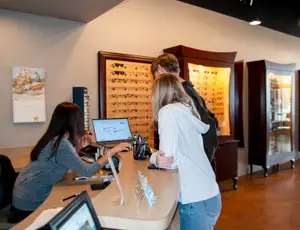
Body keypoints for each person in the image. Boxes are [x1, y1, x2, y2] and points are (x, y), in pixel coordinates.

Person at [9, 102, 132, 223]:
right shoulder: (61, 144)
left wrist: (79, 146)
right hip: (29, 202)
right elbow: (87, 171)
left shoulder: (54, 138)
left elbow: (70, 161)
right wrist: (113, 151)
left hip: (23, 193)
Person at [150, 73, 221, 230]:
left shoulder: (167, 112)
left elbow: (168, 161)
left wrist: (153, 158)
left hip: (194, 199)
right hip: (211, 194)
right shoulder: (187, 110)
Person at [151, 53, 219, 172]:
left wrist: (153, 158)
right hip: (201, 169)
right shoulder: (190, 94)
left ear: (161, 69)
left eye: (155, 76)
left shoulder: (172, 106)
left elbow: (168, 159)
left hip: (189, 169)